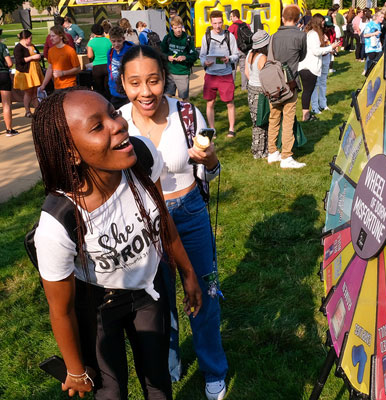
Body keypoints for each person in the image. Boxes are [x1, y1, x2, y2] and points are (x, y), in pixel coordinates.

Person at [31, 87, 202, 399]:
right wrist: (74, 369)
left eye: (113, 113)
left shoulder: (142, 157)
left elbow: (163, 220)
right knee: (111, 391)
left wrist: (188, 273)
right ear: (70, 151)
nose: (118, 124)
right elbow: (61, 309)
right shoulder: (58, 224)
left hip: (149, 290)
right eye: (98, 126)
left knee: (158, 382)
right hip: (98, 306)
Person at [118, 45, 228, 400]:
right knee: (156, 299)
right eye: (135, 83)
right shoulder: (118, 122)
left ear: (165, 77)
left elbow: (212, 172)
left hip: (190, 212)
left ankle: (213, 368)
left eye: (153, 80)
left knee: (204, 296)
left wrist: (210, 160)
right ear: (122, 83)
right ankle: (170, 360)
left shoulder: (187, 113)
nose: (145, 91)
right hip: (144, 221)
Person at [267, 4, 307, 168]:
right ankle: (286, 156)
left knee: (274, 117)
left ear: (283, 18)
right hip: (290, 82)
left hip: (274, 82)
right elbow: (302, 56)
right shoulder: (301, 36)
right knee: (288, 120)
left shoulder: (274, 36)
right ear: (298, 19)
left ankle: (272, 152)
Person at [199, 10, 239, 138]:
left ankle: (231, 129)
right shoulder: (206, 37)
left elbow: (236, 55)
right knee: (210, 102)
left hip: (225, 74)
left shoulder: (229, 36)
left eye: (220, 23)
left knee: (229, 102)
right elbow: (202, 56)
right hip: (211, 75)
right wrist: (205, 62)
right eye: (215, 23)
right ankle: (212, 129)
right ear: (211, 23)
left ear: (223, 21)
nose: (217, 26)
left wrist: (229, 59)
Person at [299, 14, 339, 122]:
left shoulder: (312, 33)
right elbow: (316, 51)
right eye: (322, 22)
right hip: (309, 67)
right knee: (309, 91)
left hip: (308, 66)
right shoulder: (313, 34)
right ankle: (309, 113)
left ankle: (309, 113)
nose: (323, 24)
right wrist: (331, 47)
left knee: (309, 91)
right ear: (317, 22)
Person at [245, 30, 270, 159]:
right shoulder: (263, 58)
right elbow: (265, 77)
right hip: (261, 92)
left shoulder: (250, 54)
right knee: (263, 121)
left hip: (251, 89)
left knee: (256, 122)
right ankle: (263, 150)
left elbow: (246, 72)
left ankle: (256, 149)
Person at [161, 16, 198, 100]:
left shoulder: (188, 39)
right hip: (169, 72)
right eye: (175, 28)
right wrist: (168, 57)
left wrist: (185, 57)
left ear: (182, 26)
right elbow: (161, 53)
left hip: (182, 73)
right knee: (167, 97)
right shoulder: (168, 38)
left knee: (184, 98)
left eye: (179, 27)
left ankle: (185, 113)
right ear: (172, 28)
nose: (178, 30)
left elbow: (194, 55)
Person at [40, 26, 81, 95]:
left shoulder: (70, 50)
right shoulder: (51, 51)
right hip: (57, 87)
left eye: (53, 36)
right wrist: (43, 85)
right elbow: (50, 68)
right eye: (50, 36)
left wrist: (63, 73)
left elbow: (78, 69)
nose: (51, 39)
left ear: (61, 36)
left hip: (70, 86)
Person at [13, 29, 44, 118]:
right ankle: (27, 110)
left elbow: (37, 54)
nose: (31, 40)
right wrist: (32, 57)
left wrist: (38, 56)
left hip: (34, 71)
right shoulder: (18, 48)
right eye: (30, 38)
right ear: (25, 38)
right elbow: (20, 61)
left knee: (35, 92)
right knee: (28, 92)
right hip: (26, 73)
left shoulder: (32, 45)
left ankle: (38, 109)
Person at [107, 26, 134, 109]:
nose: (116, 44)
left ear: (123, 39)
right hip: (114, 90)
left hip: (128, 90)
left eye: (119, 41)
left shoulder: (131, 51)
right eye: (113, 41)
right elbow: (109, 69)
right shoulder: (110, 52)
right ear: (110, 40)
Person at [87, 23, 112, 99]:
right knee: (108, 88)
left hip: (97, 66)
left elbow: (90, 55)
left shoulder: (91, 42)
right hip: (108, 65)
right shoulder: (108, 40)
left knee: (99, 89)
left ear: (93, 33)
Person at [228, 9, 250, 91]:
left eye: (231, 17)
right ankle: (244, 87)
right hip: (244, 50)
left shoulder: (233, 26)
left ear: (235, 16)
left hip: (235, 50)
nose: (230, 18)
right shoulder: (246, 25)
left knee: (233, 69)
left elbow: (228, 38)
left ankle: (231, 87)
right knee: (243, 69)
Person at [364, 11, 385, 75]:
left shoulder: (379, 25)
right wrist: (374, 34)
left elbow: (378, 35)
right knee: (371, 60)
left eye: (383, 17)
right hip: (370, 45)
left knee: (378, 59)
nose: (382, 19)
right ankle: (368, 73)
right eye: (381, 17)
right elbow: (365, 35)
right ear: (377, 17)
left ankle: (375, 73)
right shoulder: (370, 24)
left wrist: (380, 43)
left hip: (377, 45)